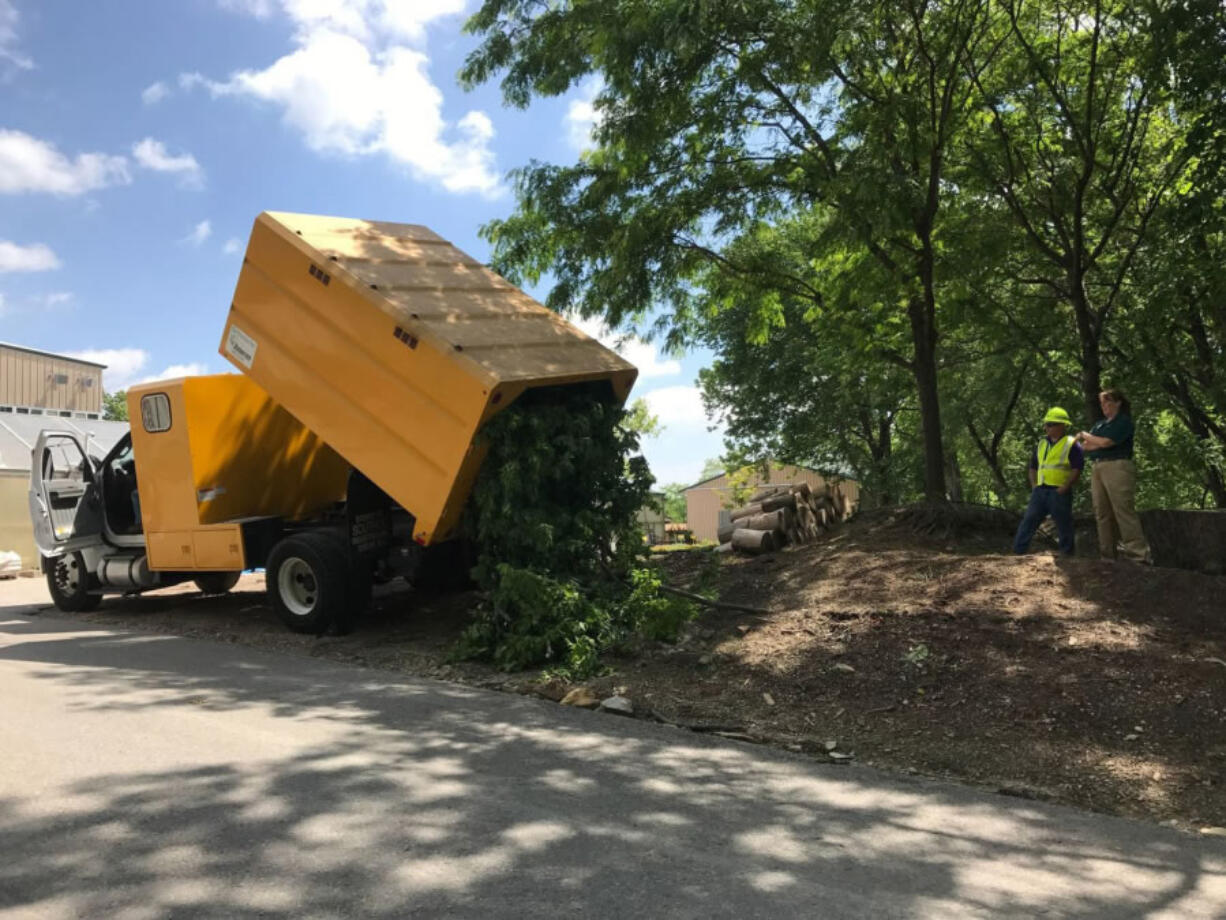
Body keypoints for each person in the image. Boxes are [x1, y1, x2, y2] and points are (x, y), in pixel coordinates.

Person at [1076, 388, 1151, 563]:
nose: (1104, 406)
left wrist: (1085, 435)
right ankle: (1108, 556)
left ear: (1118, 402)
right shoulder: (1100, 425)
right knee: (1101, 512)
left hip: (1117, 465)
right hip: (1097, 467)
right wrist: (1095, 442)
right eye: (1101, 403)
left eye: (1107, 402)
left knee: (1123, 509)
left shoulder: (1123, 422)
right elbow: (1087, 446)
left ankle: (1138, 555)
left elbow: (1106, 442)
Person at [1014, 407, 1084, 556]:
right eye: (1046, 424)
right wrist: (1034, 485)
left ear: (1062, 425)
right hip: (1040, 491)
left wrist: (1064, 488)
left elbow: (1077, 469)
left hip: (1059, 492)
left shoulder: (1072, 444)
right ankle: (1018, 553)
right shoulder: (1042, 444)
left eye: (1051, 424)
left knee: (1064, 524)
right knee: (1029, 521)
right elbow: (1033, 466)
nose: (1047, 427)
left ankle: (1067, 554)